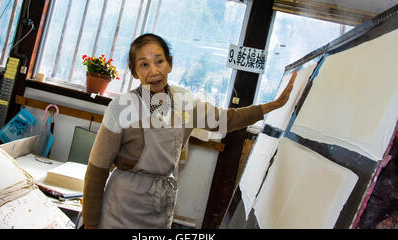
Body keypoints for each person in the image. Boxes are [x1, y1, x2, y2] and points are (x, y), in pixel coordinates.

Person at [82, 33, 297, 229]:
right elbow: (96, 170)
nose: (154, 71)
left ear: (170, 64)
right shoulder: (121, 107)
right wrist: (91, 226)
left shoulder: (184, 101)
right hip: (121, 209)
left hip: (159, 209)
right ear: (134, 72)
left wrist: (270, 107)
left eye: (159, 61)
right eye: (144, 65)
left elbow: (225, 119)